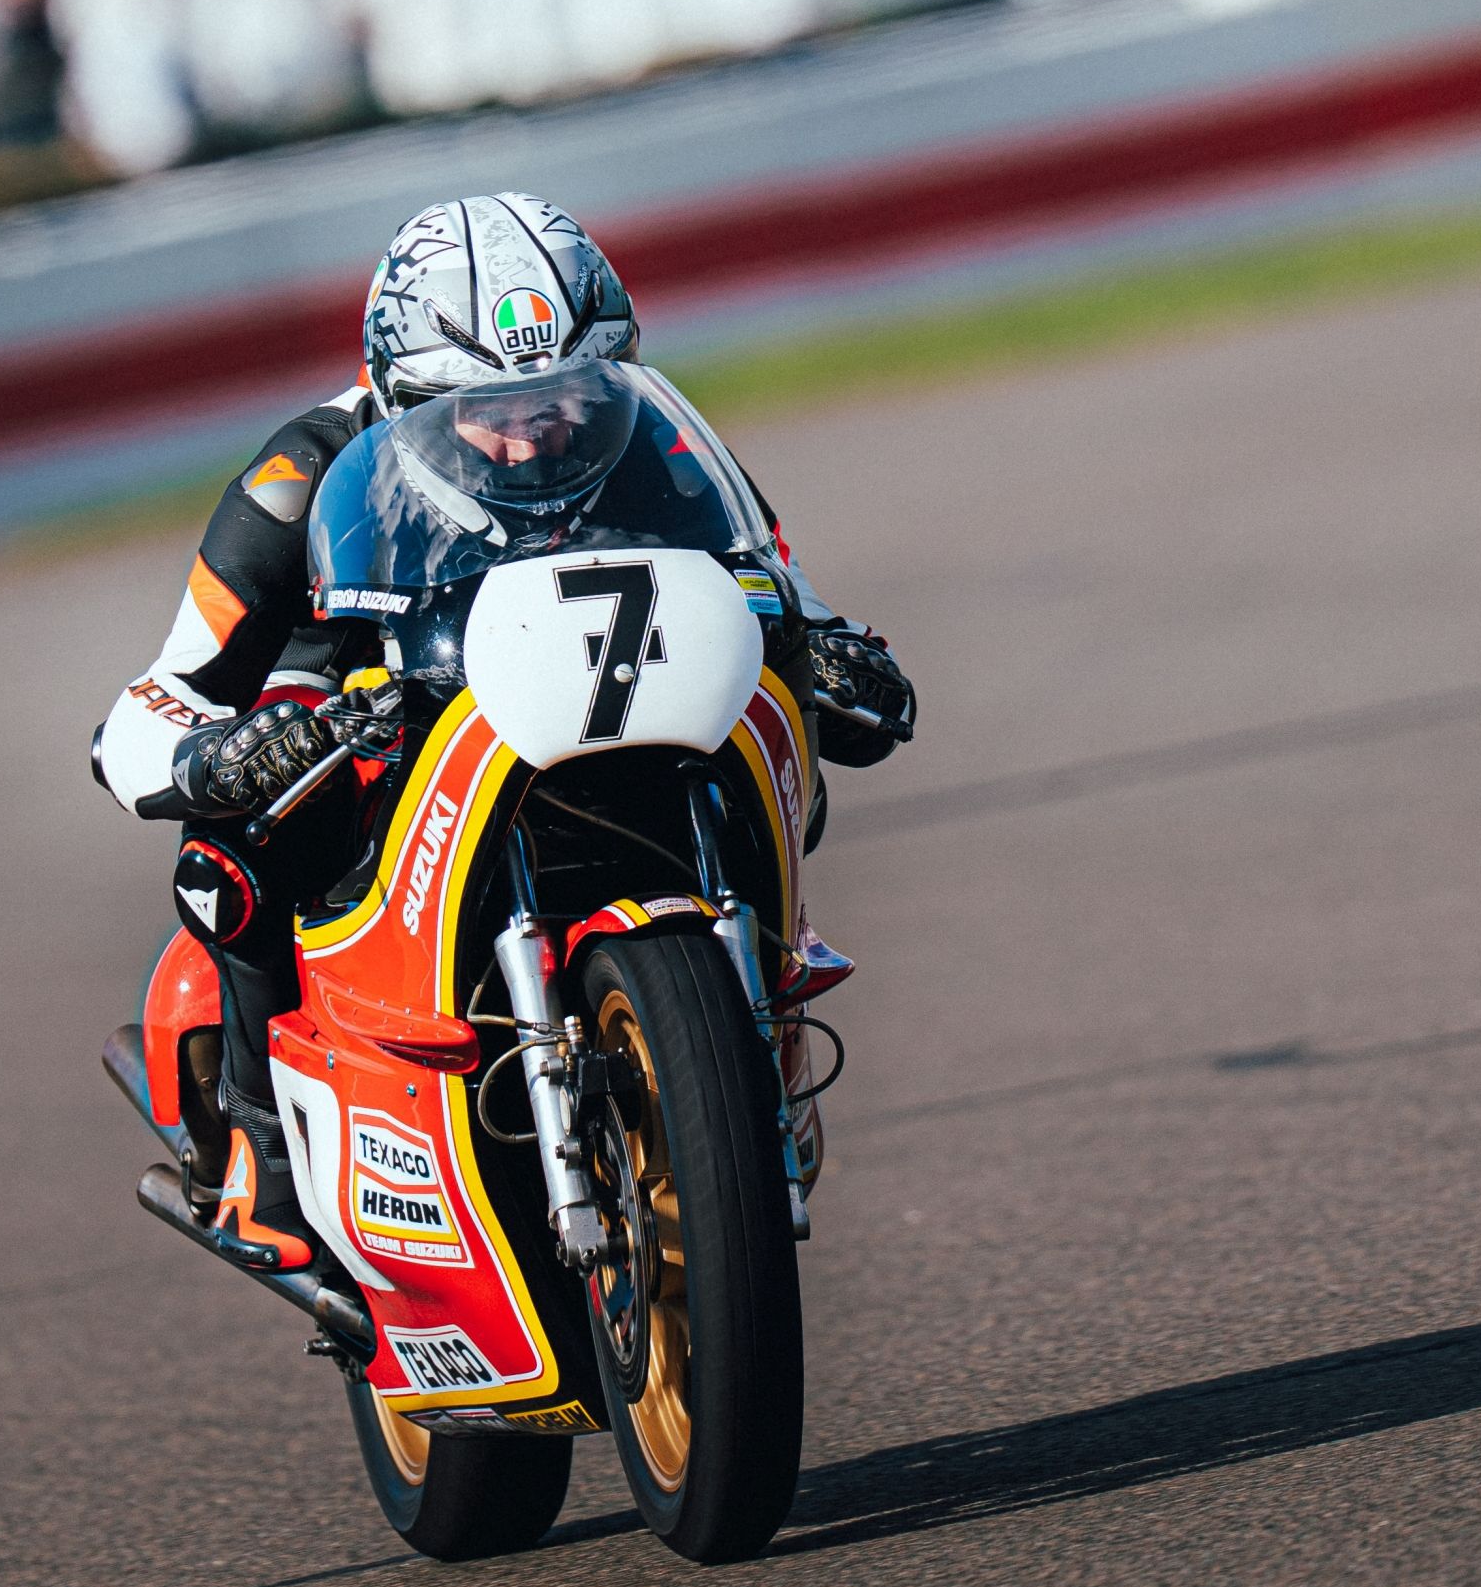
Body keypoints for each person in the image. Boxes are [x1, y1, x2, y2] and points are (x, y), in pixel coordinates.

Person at [90, 192, 917, 1268]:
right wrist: (224, 752)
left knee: (775, 748)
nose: (530, 439)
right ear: (403, 394)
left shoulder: (653, 442)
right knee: (235, 844)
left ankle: (757, 1040)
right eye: (485, 413)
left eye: (565, 400)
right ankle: (263, 1156)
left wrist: (834, 658)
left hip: (598, 720)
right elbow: (160, 697)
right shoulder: (297, 475)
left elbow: (780, 595)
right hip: (378, 730)